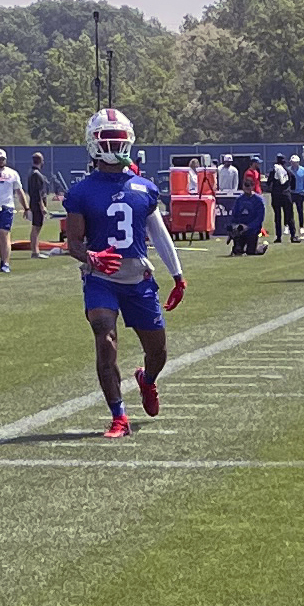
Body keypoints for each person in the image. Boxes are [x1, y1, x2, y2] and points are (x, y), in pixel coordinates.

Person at [63, 108, 187, 438]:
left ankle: (146, 380)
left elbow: (159, 234)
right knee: (105, 339)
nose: (113, 144)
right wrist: (90, 256)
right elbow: (72, 242)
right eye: (107, 138)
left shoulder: (145, 188)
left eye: (118, 138)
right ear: (93, 143)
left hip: (139, 280)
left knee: (158, 352)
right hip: (100, 279)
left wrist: (177, 275)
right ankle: (119, 415)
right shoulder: (80, 192)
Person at [225, 175, 269, 256]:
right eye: (245, 185)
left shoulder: (258, 200)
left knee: (251, 252)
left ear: (253, 186)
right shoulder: (239, 200)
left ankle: (263, 246)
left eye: (249, 185)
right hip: (240, 230)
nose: (247, 188)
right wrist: (234, 226)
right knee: (238, 251)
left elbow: (259, 219)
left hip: (253, 230)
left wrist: (248, 227)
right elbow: (234, 215)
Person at [267, 154, 298, 243]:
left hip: (276, 196)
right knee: (289, 216)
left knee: (277, 217)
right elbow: (294, 181)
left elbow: (268, 183)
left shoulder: (274, 170)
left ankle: (278, 237)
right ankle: (293, 236)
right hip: (286, 195)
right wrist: (289, 189)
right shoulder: (288, 171)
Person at [27, 152, 49, 258]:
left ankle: (36, 250)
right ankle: (35, 252)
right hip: (37, 205)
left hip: (34, 203)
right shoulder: (36, 174)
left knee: (36, 227)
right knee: (36, 227)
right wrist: (42, 207)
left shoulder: (32, 173)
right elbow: (38, 193)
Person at [289, 155, 304, 237]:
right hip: (291, 193)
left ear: (298, 162)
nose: (293, 164)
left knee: (300, 211)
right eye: (292, 162)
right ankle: (287, 226)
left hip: (300, 194)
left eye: (295, 162)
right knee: (289, 211)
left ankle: (301, 227)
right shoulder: (288, 170)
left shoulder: (303, 170)